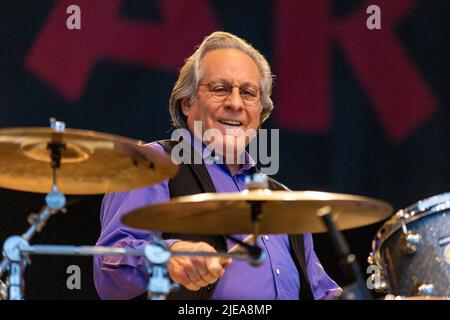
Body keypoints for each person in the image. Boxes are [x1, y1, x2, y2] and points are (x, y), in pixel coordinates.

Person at [94, 31, 341, 300]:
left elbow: (322, 292)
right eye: (220, 89)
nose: (235, 103)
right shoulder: (153, 163)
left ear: (261, 113)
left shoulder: (283, 198)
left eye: (248, 93)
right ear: (187, 102)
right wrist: (167, 256)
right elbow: (109, 269)